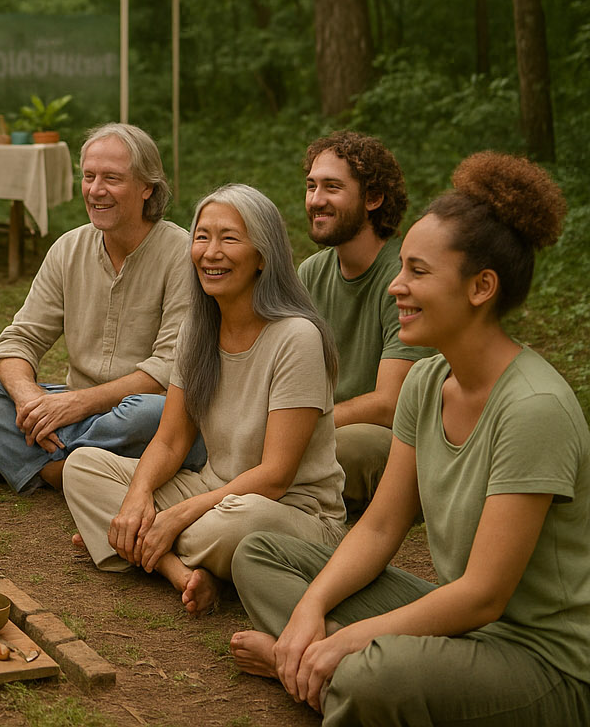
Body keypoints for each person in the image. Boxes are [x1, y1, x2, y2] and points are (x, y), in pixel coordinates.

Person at [230, 154, 590, 725]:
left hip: (541, 662)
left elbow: (483, 596)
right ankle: (321, 662)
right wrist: (312, 610)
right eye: (402, 269)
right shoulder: (427, 381)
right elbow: (377, 527)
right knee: (259, 553)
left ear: (481, 287)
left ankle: (321, 667)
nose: (396, 285)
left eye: (418, 272)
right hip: (463, 630)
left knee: (373, 674)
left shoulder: (533, 409)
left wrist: (352, 641)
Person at [66, 184, 347, 616]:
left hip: (286, 511)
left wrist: (173, 518)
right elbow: (171, 441)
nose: (210, 252)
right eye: (202, 237)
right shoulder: (196, 332)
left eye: (229, 238)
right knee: (82, 467)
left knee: (237, 524)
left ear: (263, 255)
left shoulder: (296, 337)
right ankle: (176, 570)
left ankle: (129, 540)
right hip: (213, 491)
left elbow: (274, 476)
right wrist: (139, 496)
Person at [0, 122, 202, 495]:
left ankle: (36, 463)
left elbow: (167, 371)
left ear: (147, 187)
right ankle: (72, 462)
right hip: (71, 403)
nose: (96, 190)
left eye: (112, 178)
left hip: (136, 409)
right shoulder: (68, 248)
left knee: (155, 414)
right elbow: (19, 340)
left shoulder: (182, 253)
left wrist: (77, 405)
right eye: (89, 176)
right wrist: (31, 401)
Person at [300, 132, 432, 512]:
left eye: (332, 187)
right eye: (311, 186)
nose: (316, 200)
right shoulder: (311, 273)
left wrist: (306, 426)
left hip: (396, 443)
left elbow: (390, 405)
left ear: (373, 199)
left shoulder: (404, 279)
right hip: (325, 430)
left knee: (347, 446)